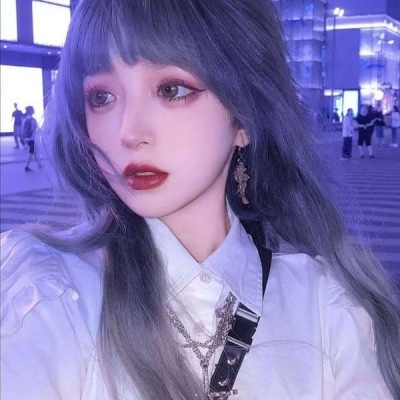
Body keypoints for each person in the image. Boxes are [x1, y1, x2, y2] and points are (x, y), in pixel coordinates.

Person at [1, 1, 399, 400]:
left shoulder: (327, 311)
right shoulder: (47, 294)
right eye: (102, 96)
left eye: (171, 90)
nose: (128, 132)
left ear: (244, 118)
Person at [21, 105, 42, 171]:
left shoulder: (25, 119)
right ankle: (27, 166)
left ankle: (39, 164)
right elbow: (35, 129)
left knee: (34, 152)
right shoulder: (33, 120)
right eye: (32, 109)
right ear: (30, 111)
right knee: (32, 152)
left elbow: (23, 129)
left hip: (27, 138)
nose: (33, 110)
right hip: (31, 139)